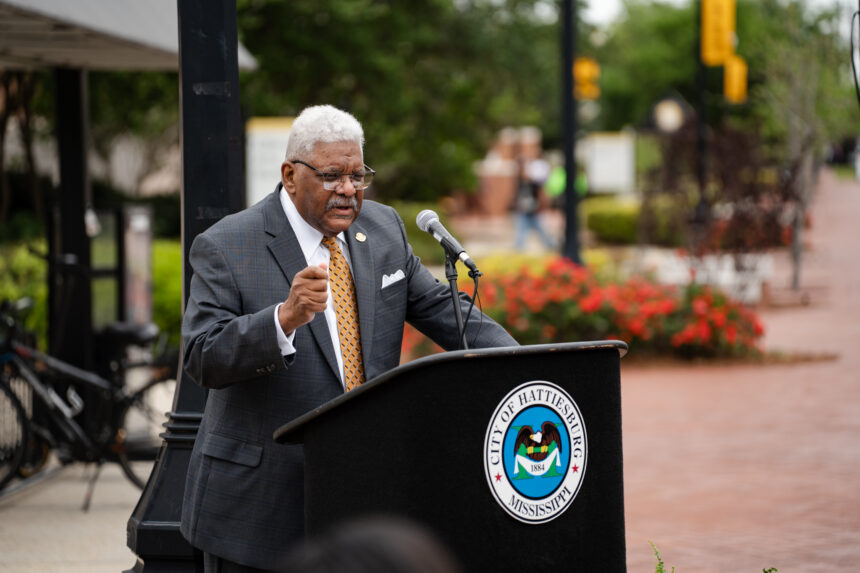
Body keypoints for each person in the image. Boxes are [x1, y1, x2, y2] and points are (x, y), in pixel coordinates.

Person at [180, 104, 517, 572]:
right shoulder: (229, 244)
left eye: (358, 176)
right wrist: (283, 318)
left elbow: (445, 311)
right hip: (262, 505)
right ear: (290, 174)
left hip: (362, 490)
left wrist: (524, 365)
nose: (348, 191)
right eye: (332, 175)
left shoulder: (382, 229)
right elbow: (201, 356)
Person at [512, 155, 557, 251]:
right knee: (522, 228)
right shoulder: (520, 182)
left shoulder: (534, 183)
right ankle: (519, 246)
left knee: (540, 229)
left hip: (534, 209)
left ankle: (550, 243)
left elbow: (541, 195)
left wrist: (540, 207)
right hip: (524, 210)